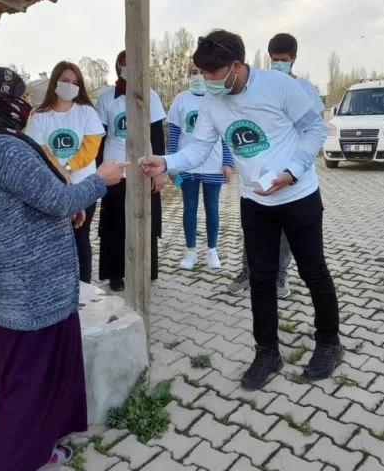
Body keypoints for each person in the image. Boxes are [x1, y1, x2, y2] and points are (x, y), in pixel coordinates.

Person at [139, 29, 342, 391]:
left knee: (313, 272)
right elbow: (198, 148)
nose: (206, 80)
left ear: (235, 66)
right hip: (255, 202)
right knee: (260, 279)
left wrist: (292, 171)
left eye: (212, 74)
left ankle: (329, 343)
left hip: (298, 196)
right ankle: (267, 352)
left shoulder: (279, 86)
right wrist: (166, 162)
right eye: (201, 73)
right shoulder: (212, 102)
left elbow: (315, 130)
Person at [0, 67, 127, 470]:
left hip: (17, 289)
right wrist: (100, 179)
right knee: (27, 391)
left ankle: (39, 451)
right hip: (30, 293)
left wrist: (64, 211)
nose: (26, 105)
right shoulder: (5, 149)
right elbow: (57, 199)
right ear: (1, 102)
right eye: (20, 97)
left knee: (23, 383)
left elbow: (24, 204)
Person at [229, 32, 325, 298]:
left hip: (294, 174)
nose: (278, 64)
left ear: (294, 58)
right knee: (256, 226)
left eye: (283, 59)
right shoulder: (264, 85)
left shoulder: (304, 88)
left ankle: (281, 276)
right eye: (274, 59)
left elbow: (314, 129)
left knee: (286, 233)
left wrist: (294, 168)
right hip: (263, 170)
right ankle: (248, 271)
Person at [25, 61, 105, 283]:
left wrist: (68, 167)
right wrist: (59, 171)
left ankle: (84, 285)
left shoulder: (87, 112)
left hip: (84, 185)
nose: (70, 85)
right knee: (54, 237)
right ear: (55, 82)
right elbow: (39, 148)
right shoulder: (39, 115)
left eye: (75, 82)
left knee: (80, 236)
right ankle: (57, 284)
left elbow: (90, 148)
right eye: (65, 80)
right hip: (51, 186)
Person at [96, 50, 166, 291]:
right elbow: (100, 138)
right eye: (124, 64)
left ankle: (146, 268)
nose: (129, 67)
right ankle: (115, 273)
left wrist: (159, 171)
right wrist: (99, 173)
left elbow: (157, 136)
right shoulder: (106, 98)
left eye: (133, 63)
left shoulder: (151, 96)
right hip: (116, 171)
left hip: (145, 169)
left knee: (147, 222)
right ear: (118, 67)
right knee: (115, 224)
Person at [168, 64, 235, 270]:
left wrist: (227, 161)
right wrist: (172, 163)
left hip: (213, 164)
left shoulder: (219, 98)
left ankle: (212, 251)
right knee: (189, 207)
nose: (197, 76)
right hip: (187, 164)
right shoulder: (181, 99)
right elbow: (174, 133)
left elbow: (227, 133)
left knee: (212, 207)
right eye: (193, 72)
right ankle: (191, 252)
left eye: (201, 72)